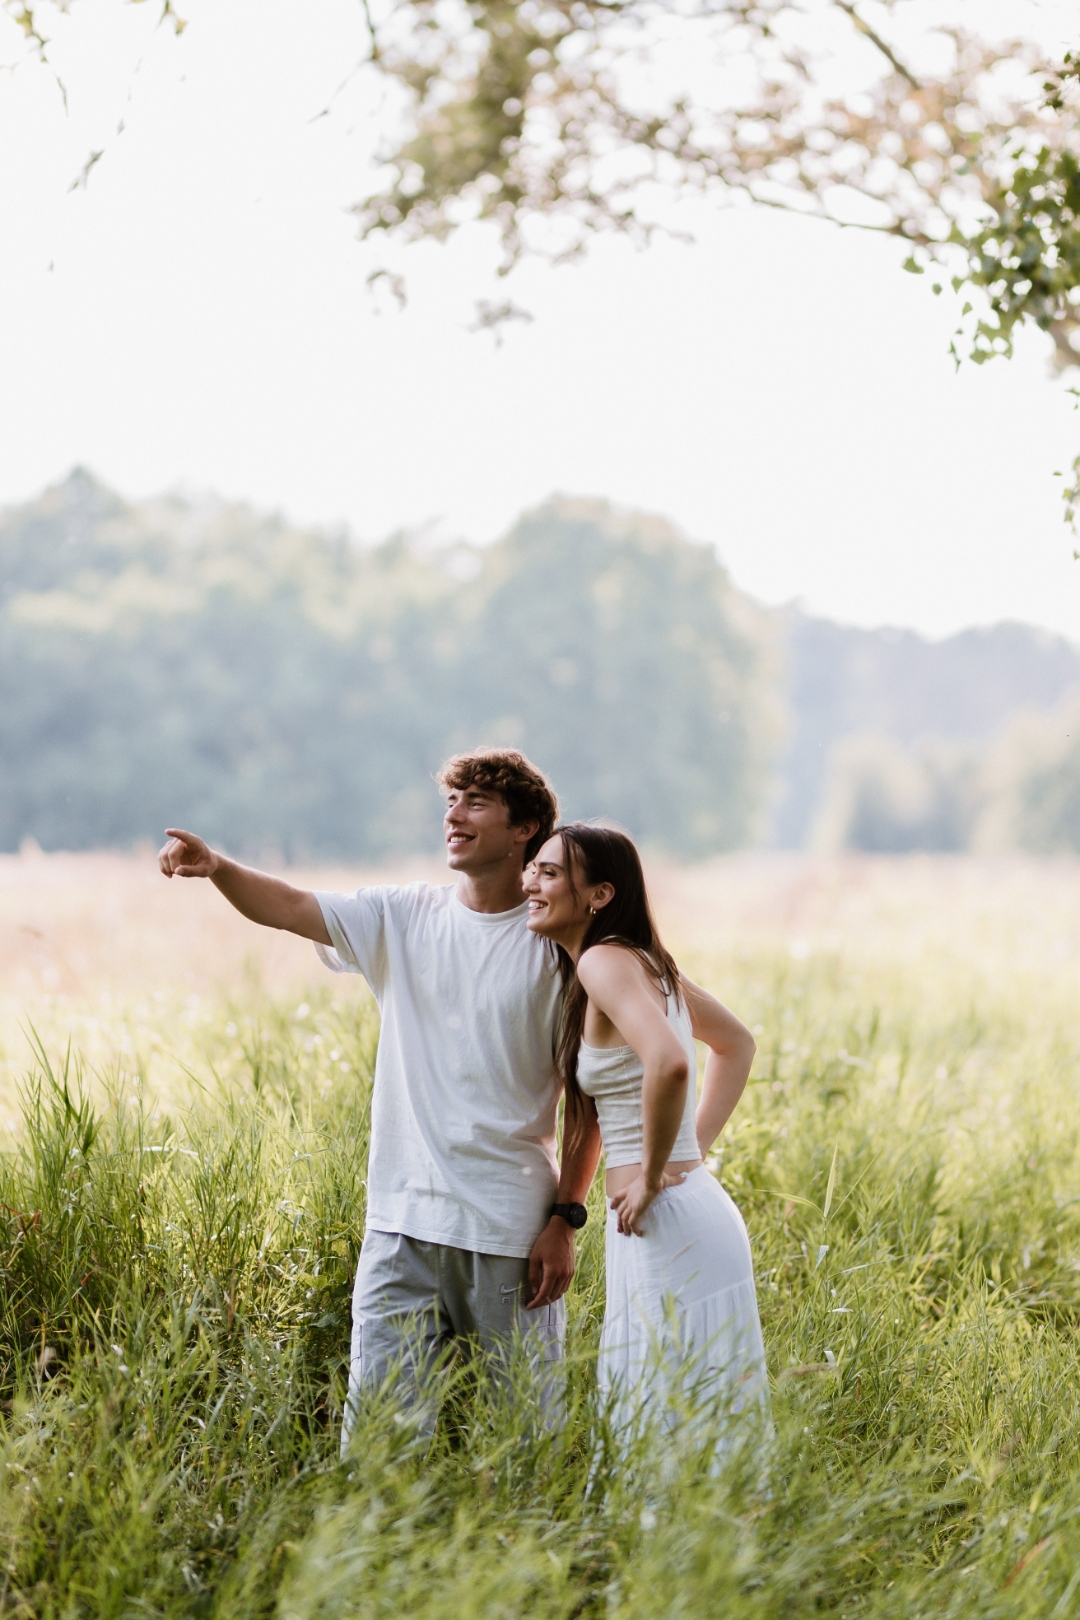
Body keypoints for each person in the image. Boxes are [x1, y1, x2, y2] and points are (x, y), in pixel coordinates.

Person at [158, 749, 601, 1447]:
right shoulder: (401, 914)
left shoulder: (559, 944)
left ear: (526, 830)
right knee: (378, 1451)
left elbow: (589, 1101)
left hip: (511, 1232)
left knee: (526, 1445)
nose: (454, 816)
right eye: (452, 803)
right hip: (400, 1228)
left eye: (476, 803)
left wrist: (565, 1219)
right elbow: (290, 907)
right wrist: (218, 868)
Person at [523, 821, 768, 1437]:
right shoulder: (643, 962)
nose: (530, 881)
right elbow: (736, 1044)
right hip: (687, 1210)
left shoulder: (604, 962)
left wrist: (658, 1173)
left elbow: (672, 1060)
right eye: (534, 868)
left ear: (598, 895)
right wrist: (692, 1151)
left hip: (666, 1218)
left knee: (661, 1415)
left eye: (549, 872)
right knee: (691, 1415)